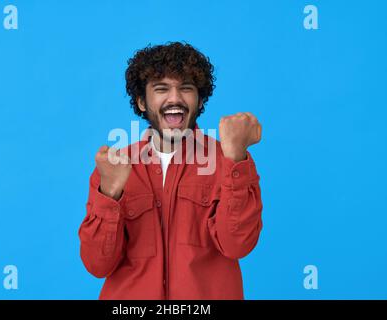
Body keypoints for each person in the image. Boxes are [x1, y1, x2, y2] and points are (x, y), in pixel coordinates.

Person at [78, 41, 263, 299]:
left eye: (186, 88)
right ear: (142, 102)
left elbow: (238, 245)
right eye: (161, 88)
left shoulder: (228, 160)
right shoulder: (114, 166)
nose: (174, 98)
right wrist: (110, 193)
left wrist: (235, 158)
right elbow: (97, 264)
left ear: (199, 101)